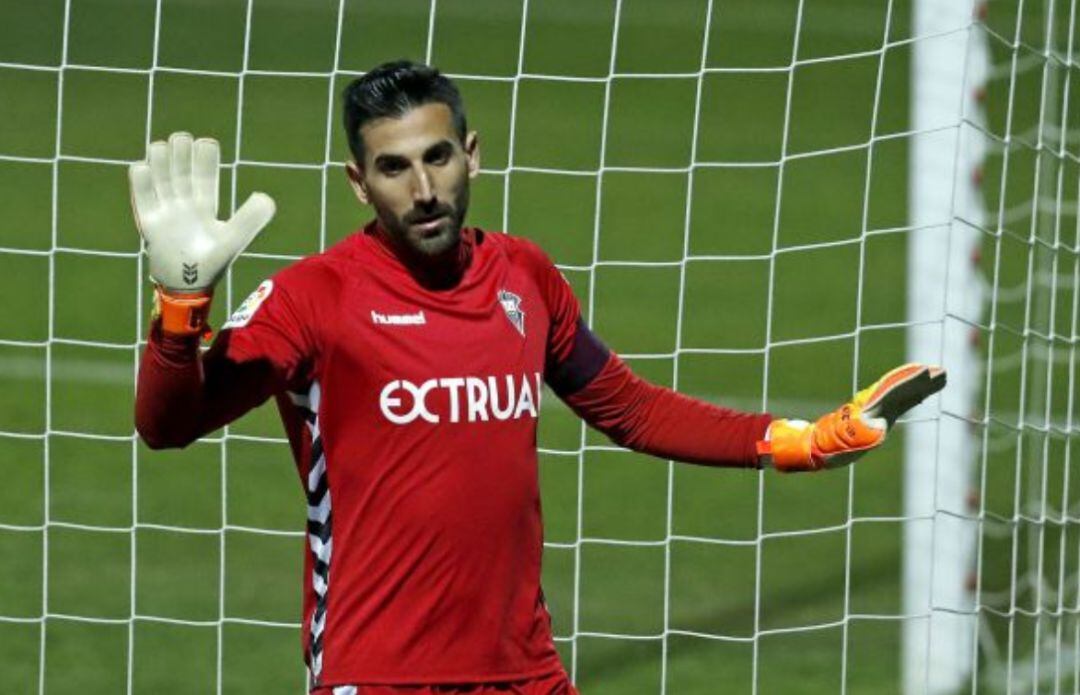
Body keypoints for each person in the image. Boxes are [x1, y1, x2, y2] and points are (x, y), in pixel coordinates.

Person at [131, 60, 945, 695]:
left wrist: (797, 442)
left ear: (472, 153)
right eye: (393, 167)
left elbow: (628, 407)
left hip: (523, 669)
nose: (422, 190)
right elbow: (168, 424)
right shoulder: (317, 297)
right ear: (358, 181)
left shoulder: (525, 277)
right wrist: (180, 307)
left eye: (438, 157)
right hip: (376, 672)